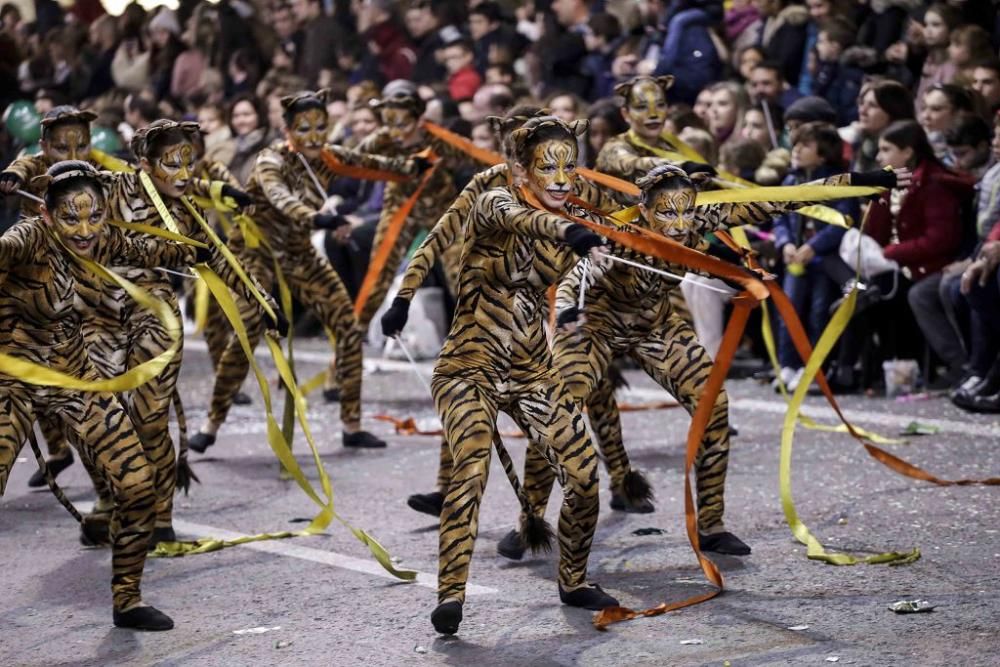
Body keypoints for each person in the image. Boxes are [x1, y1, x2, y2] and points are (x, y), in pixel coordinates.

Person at [401, 114, 618, 635]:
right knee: (470, 471)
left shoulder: (576, 195)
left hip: (530, 368)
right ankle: (450, 594)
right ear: (522, 171)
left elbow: (644, 223)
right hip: (467, 367)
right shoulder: (493, 197)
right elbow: (525, 222)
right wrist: (403, 297)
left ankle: (574, 579)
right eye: (549, 167)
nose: (563, 179)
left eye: (569, 165)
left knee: (585, 475)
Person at [0, 160, 198, 631]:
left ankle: (127, 600)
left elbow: (143, 245)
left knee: (137, 486)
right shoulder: (27, 239)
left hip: (75, 379)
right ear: (48, 216)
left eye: (93, 216)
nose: (85, 229)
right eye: (71, 218)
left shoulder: (102, 237)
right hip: (15, 384)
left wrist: (194, 251)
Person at [189, 90, 423, 453]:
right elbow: (280, 196)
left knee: (347, 324)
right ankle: (212, 422)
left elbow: (366, 161)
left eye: (320, 127)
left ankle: (351, 424)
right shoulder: (271, 161)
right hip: (257, 254)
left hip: (299, 254)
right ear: (288, 130)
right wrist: (319, 218)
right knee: (247, 332)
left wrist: (411, 169)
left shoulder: (327, 157)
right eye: (304, 128)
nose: (314, 136)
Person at [832, 120, 970, 392]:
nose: (879, 156)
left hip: (926, 266)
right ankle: (849, 369)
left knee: (889, 296)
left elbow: (940, 240)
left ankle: (956, 366)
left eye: (886, 149)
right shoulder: (893, 183)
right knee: (859, 292)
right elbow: (877, 231)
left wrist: (891, 253)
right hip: (898, 266)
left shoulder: (933, 185)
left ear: (907, 152)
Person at [772, 122, 857, 390]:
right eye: (795, 144)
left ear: (823, 154)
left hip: (823, 260)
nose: (796, 150)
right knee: (789, 311)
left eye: (805, 145)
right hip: (795, 258)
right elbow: (780, 218)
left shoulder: (838, 183)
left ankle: (815, 368)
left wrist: (815, 246)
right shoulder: (791, 181)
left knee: (819, 312)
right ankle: (788, 365)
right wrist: (785, 242)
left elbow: (844, 219)